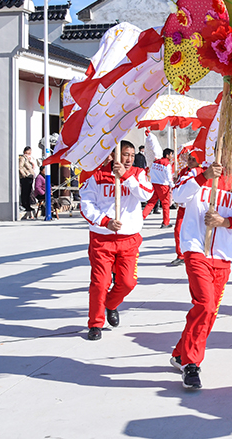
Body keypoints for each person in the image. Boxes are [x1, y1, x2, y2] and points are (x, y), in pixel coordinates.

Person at [169, 161, 232, 390]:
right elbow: (176, 196)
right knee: (205, 305)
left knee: (210, 312)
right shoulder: (197, 172)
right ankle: (191, 365)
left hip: (223, 255)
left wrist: (224, 222)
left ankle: (180, 353)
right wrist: (204, 176)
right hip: (197, 248)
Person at [79, 141, 153, 341]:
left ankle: (110, 304)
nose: (128, 159)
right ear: (113, 155)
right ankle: (95, 323)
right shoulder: (96, 176)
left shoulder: (138, 174)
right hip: (102, 239)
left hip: (129, 239)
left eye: (130, 155)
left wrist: (126, 176)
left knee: (128, 282)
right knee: (100, 283)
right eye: (124, 155)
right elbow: (86, 204)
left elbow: (146, 193)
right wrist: (105, 222)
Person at [169, 153, 201, 266]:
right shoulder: (183, 171)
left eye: (193, 159)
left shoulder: (202, 173)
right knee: (178, 230)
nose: (190, 161)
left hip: (195, 209)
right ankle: (180, 255)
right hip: (183, 209)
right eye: (189, 159)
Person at [142, 148, 175, 227]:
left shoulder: (155, 163)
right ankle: (166, 222)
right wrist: (173, 186)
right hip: (163, 185)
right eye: (171, 154)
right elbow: (168, 177)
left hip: (154, 184)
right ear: (167, 155)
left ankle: (141, 218)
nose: (172, 156)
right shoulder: (167, 164)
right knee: (165, 205)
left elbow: (151, 172)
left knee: (151, 203)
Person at [19, 146, 36, 219]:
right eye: (28, 152)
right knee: (25, 191)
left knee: (29, 191)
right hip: (26, 177)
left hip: (30, 176)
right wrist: (24, 175)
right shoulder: (23, 158)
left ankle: (28, 205)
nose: (29, 153)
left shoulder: (29, 159)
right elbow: (20, 167)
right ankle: (25, 205)